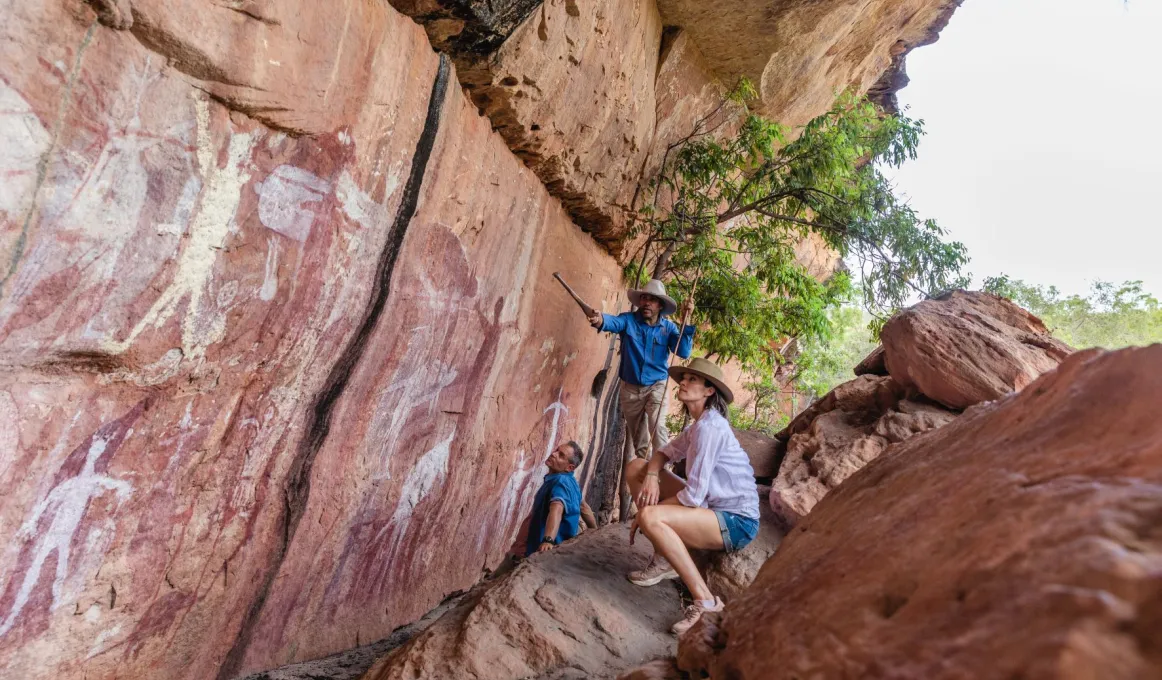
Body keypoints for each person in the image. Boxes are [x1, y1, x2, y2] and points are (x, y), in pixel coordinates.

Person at [624, 357, 760, 635]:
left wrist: (648, 515)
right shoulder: (698, 425)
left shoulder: (711, 429)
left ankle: (706, 602)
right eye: (683, 378)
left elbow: (694, 496)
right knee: (637, 467)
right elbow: (663, 453)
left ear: (709, 391)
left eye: (692, 380)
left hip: (736, 521)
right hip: (711, 508)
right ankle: (664, 559)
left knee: (650, 515)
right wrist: (651, 476)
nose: (683, 383)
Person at [587, 279, 696, 463]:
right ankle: (645, 475)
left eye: (652, 300)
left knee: (657, 427)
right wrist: (600, 319)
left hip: (656, 386)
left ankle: (662, 474)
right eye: (644, 298)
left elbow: (684, 351)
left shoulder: (668, 328)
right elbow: (612, 322)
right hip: (630, 389)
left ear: (660, 305)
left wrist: (688, 320)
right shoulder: (628, 320)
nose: (646, 303)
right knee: (640, 441)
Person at [524, 441, 586, 556]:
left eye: (561, 455)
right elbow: (584, 508)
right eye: (557, 450)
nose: (554, 454)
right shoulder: (571, 482)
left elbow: (556, 510)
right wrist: (596, 530)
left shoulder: (560, 482)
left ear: (569, 467)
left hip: (544, 547)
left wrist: (548, 540)